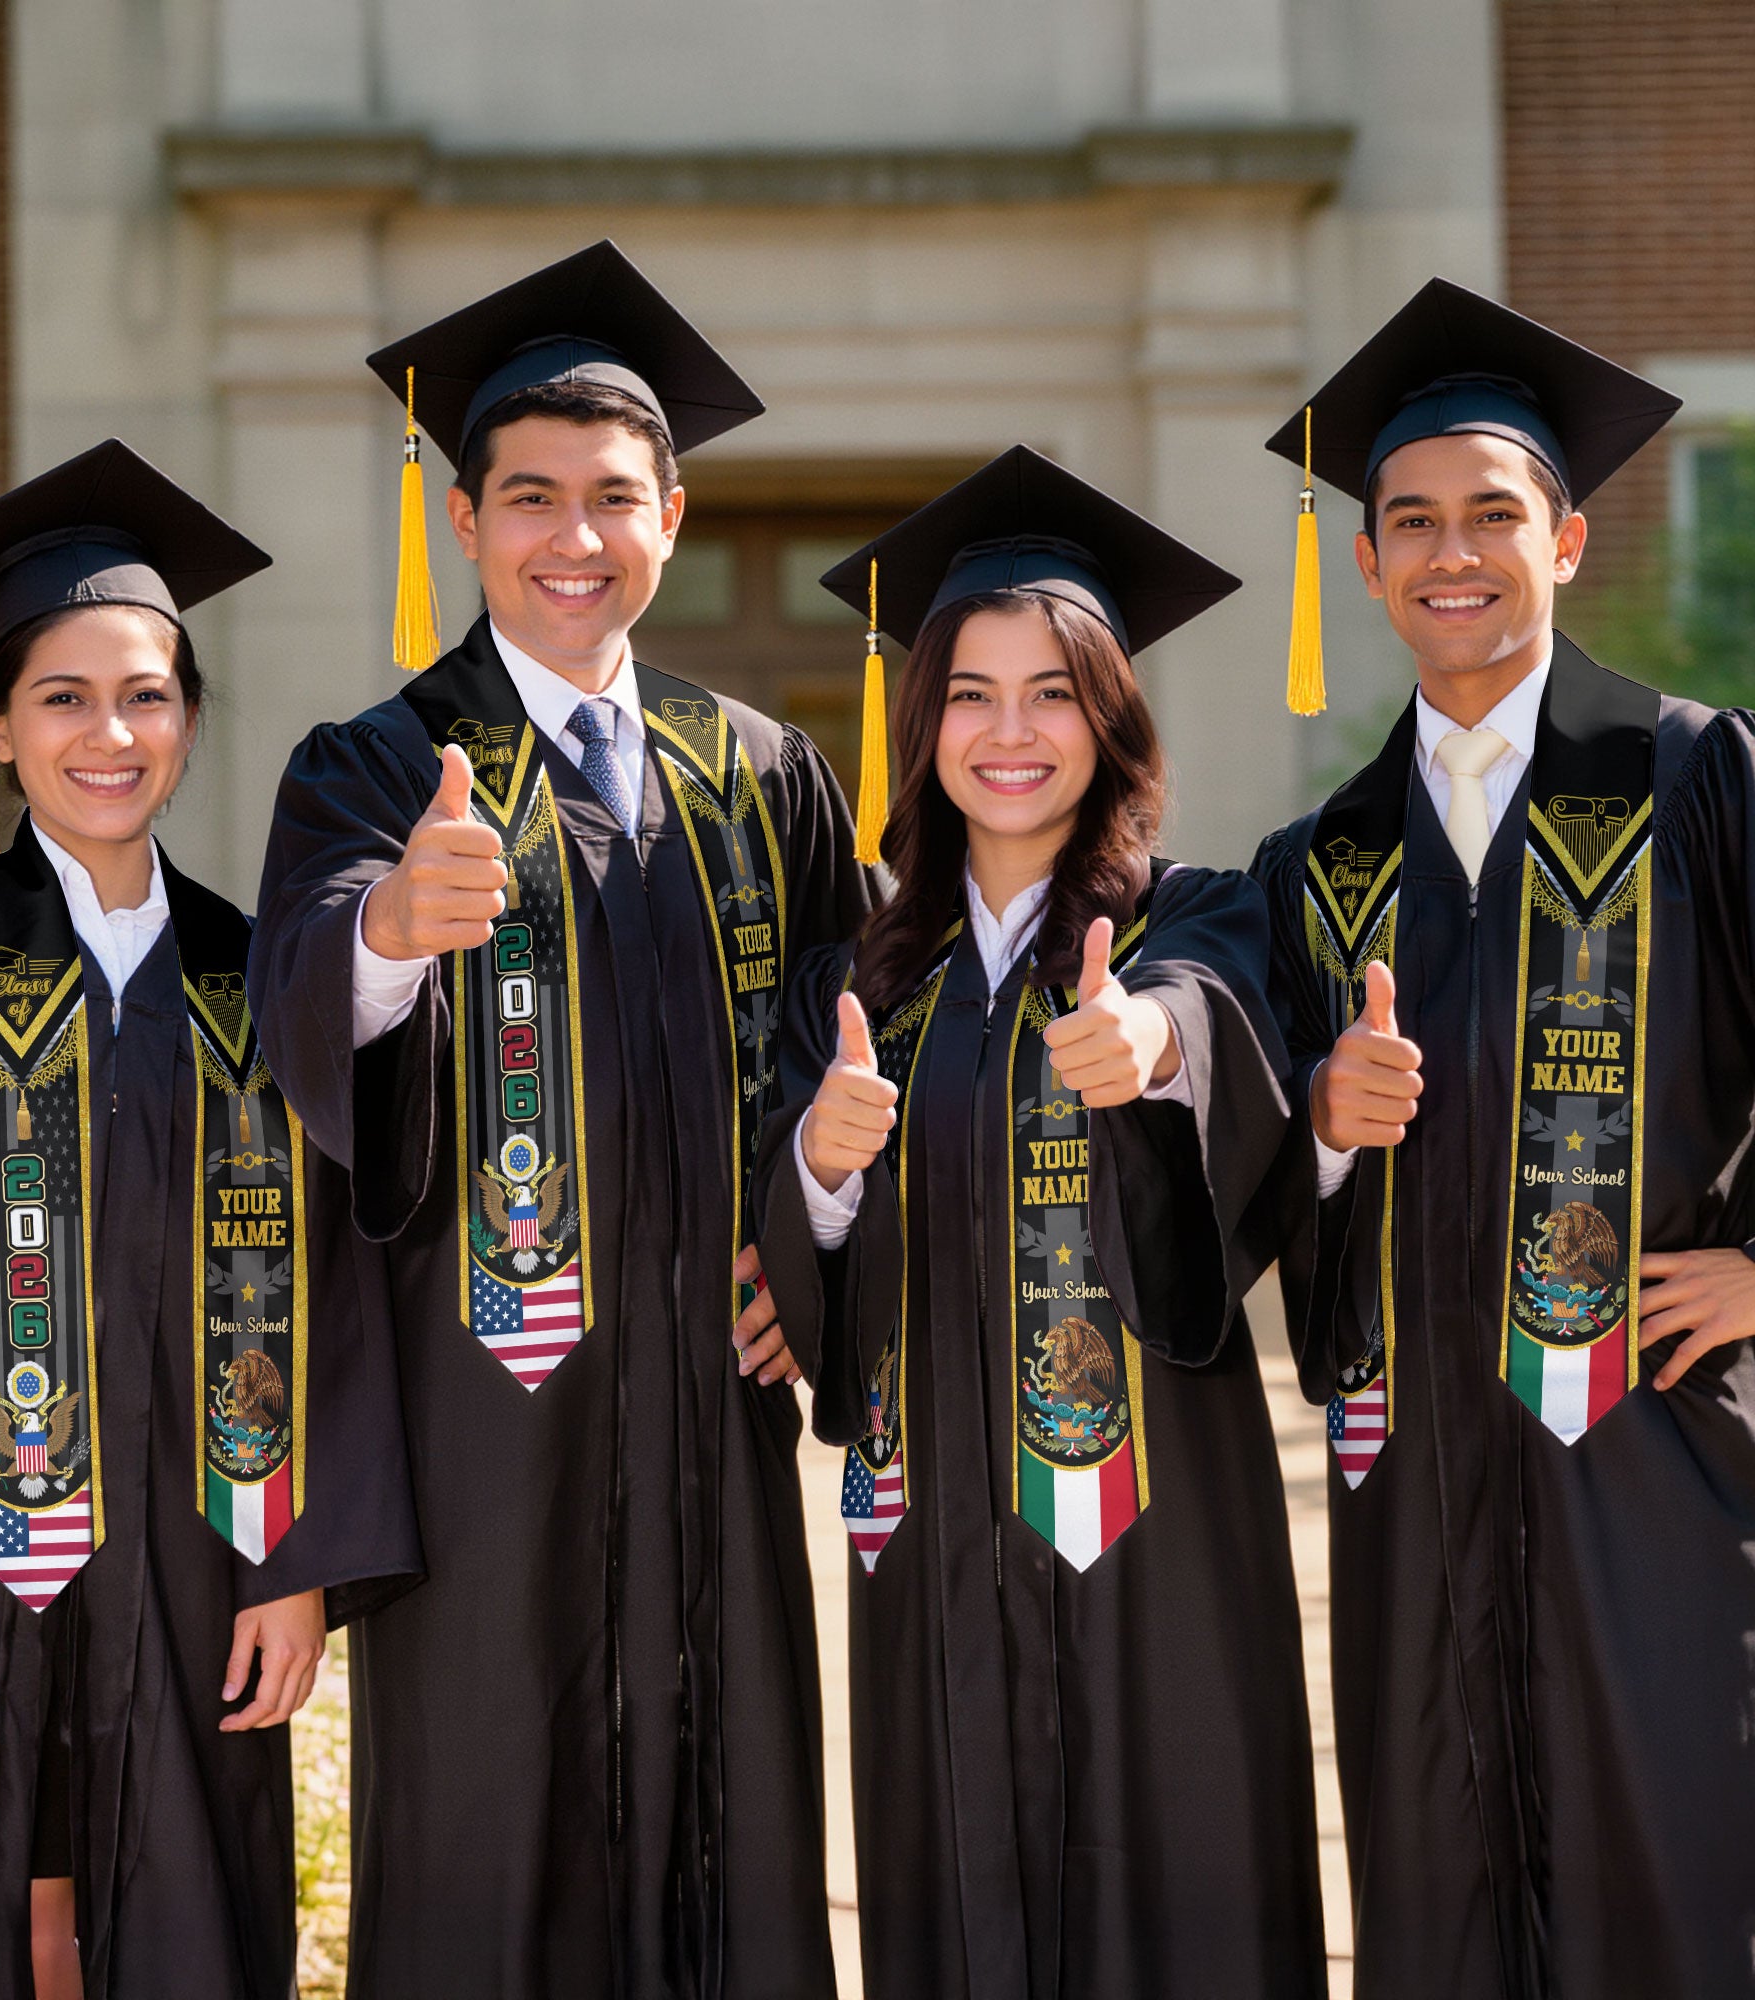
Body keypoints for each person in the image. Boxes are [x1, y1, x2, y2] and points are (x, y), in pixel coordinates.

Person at [249, 241, 875, 1998]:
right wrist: (386, 931)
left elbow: (865, 1043)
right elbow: (299, 1002)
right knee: (490, 1844)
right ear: (465, 521)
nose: (573, 538)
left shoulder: (759, 768)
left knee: (730, 1828)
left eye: (615, 498)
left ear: (672, 514)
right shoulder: (377, 765)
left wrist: (811, 1244)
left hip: (711, 1410)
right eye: (531, 498)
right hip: (486, 1418)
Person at [0, 441, 419, 2000]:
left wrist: (299, 1559)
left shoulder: (262, 977)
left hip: (198, 1549)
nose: (107, 733)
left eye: (146, 694)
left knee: (175, 1896)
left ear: (189, 718)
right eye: (60, 696)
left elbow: (342, 1281)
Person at [754, 447, 1326, 1999]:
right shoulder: (858, 983)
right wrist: (818, 1159)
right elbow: (806, 1264)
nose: (1012, 734)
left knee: (1180, 1896)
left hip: (1161, 1537)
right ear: (921, 721)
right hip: (931, 1530)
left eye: (1055, 692)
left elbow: (1215, 1026)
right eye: (971, 694)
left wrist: (1148, 1050)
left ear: (1113, 717)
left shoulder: (1198, 915)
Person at [1252, 279, 1755, 1999]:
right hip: (1417, 1487)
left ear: (1569, 539)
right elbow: (1250, 1172)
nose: (1449, 553)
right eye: (1410, 522)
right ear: (1371, 562)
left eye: (1492, 515)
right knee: (1438, 1894)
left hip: (1659, 1462)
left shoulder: (1697, 779)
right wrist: (1319, 1127)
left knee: (1675, 1879)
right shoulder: (1324, 861)